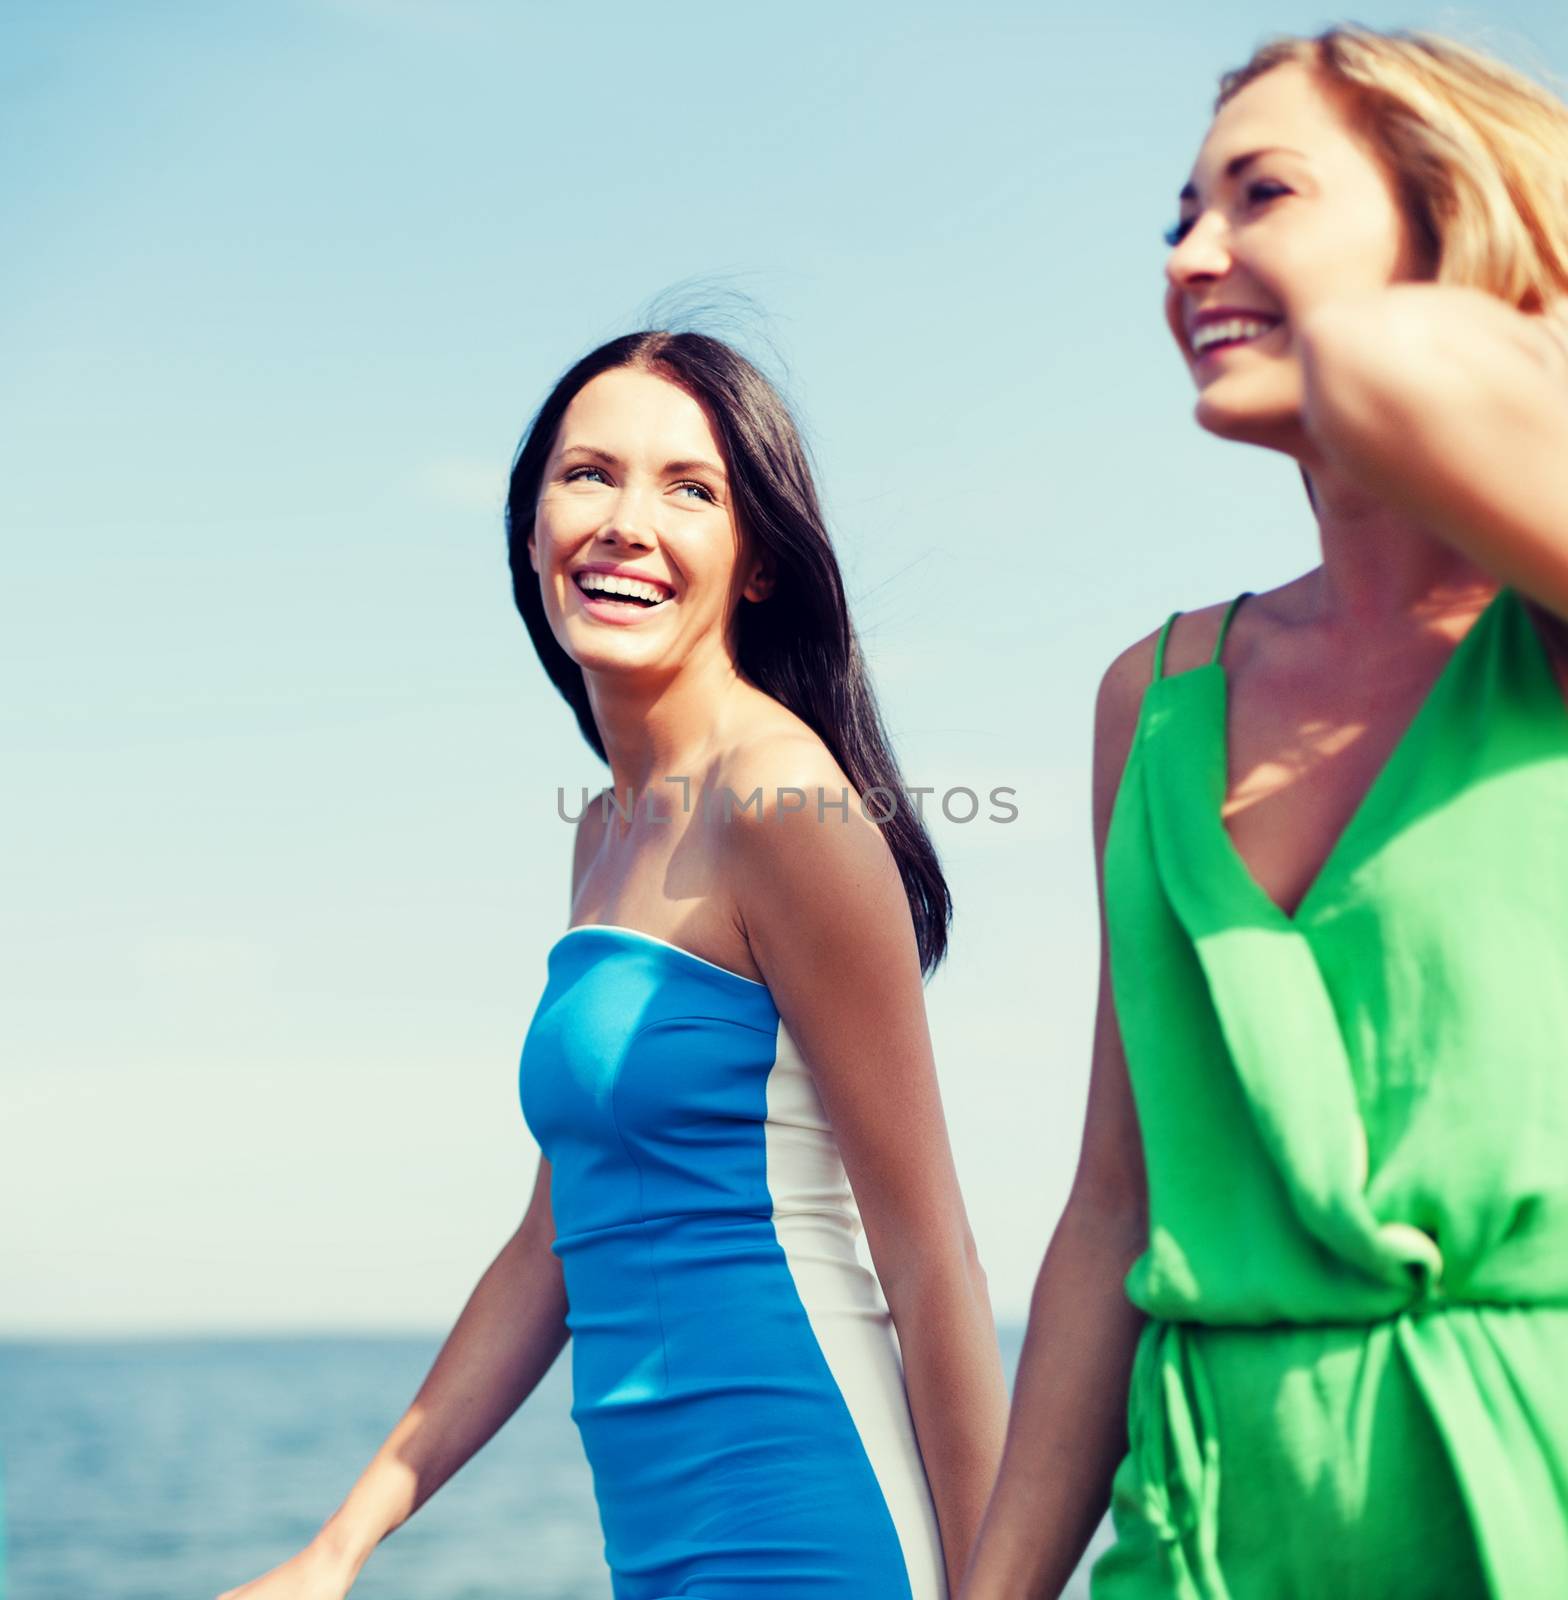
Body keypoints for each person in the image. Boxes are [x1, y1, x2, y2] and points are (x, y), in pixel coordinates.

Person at [217, 330, 1007, 1600]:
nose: (626, 522)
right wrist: (336, 1549)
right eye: (589, 476)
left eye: (690, 489)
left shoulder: (782, 804)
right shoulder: (604, 829)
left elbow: (928, 1251)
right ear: (529, 531)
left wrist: (998, 1590)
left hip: (810, 1521)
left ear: (755, 562)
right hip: (658, 1545)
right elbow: (553, 1242)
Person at [961, 25, 1568, 1600]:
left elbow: (1426, 379)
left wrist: (1411, 317)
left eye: (1262, 193)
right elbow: (1116, 1203)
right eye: (1180, 215)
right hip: (1209, 1535)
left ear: (1451, 223)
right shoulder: (1148, 695)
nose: (1193, 256)